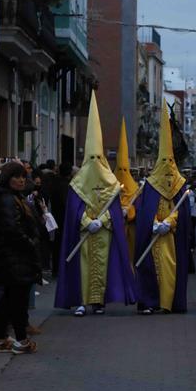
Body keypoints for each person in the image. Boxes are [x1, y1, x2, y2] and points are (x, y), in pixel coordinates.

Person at [54, 93, 137, 316]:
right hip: (84, 232)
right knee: (82, 267)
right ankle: (81, 300)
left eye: (98, 159)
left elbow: (114, 210)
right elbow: (73, 209)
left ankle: (98, 301)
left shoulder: (112, 183)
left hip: (103, 232)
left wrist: (103, 220)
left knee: (103, 265)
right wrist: (86, 221)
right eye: (91, 159)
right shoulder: (77, 184)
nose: (95, 164)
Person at [134, 104, 192, 314]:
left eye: (171, 161)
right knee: (150, 266)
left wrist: (170, 222)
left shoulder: (180, 183)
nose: (168, 165)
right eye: (164, 160)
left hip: (170, 237)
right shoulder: (150, 185)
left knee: (170, 268)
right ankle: (149, 301)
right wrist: (153, 223)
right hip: (152, 236)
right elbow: (144, 210)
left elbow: (181, 211)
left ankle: (167, 303)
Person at [0, 162, 42, 355]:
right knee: (17, 300)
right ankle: (21, 339)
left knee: (9, 298)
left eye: (22, 176)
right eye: (16, 176)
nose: (20, 180)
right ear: (7, 178)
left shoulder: (14, 198)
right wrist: (29, 242)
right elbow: (13, 229)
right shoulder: (7, 200)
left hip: (13, 257)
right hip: (15, 258)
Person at [114, 119, 140, 266]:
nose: (122, 173)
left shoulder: (135, 188)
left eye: (125, 170)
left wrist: (129, 211)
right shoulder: (109, 187)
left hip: (130, 232)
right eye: (120, 170)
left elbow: (139, 208)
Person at [48, 161, 73, 278]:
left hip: (56, 216)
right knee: (64, 243)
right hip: (64, 218)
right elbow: (66, 202)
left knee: (57, 244)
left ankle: (56, 269)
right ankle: (62, 269)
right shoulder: (67, 186)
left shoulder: (54, 183)